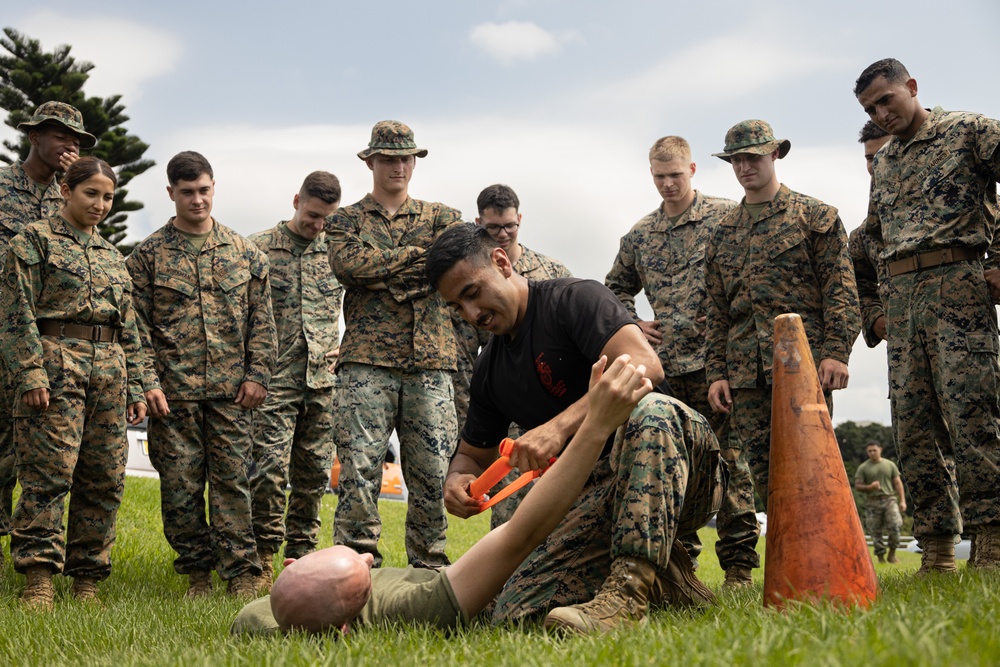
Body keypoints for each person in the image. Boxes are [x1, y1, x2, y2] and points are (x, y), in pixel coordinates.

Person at [231, 354, 697, 634]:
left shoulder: (264, 614)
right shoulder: (418, 605)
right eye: (362, 573)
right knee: (521, 605)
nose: (370, 558)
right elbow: (521, 533)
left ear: (290, 565)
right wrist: (595, 424)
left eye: (350, 557)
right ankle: (656, 577)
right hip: (480, 583)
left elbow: (265, 621)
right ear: (348, 626)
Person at [433, 224, 722, 634]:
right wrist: (459, 479)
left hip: (681, 474)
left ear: (501, 262)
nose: (472, 315)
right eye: (457, 307)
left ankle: (628, 597)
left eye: (472, 293)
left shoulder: (575, 299)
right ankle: (670, 581)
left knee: (651, 408)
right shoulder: (489, 370)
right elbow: (471, 453)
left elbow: (645, 366)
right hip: (602, 500)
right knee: (515, 610)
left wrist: (557, 428)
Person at [855, 58, 1000, 571]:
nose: (881, 113)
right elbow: (866, 245)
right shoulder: (887, 161)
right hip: (902, 300)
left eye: (886, 100)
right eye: (871, 108)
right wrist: (873, 314)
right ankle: (936, 547)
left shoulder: (970, 131)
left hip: (957, 285)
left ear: (912, 87)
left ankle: (992, 542)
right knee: (913, 428)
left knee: (972, 416)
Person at [605, 135, 759, 589]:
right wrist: (633, 322)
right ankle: (680, 566)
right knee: (674, 466)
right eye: (659, 177)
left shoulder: (726, 217)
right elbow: (614, 288)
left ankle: (739, 569)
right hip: (666, 369)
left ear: (692, 171)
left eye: (675, 175)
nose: (668, 184)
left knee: (733, 465)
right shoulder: (639, 235)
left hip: (719, 364)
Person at [126, 151, 276, 597]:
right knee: (180, 488)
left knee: (234, 482)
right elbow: (135, 329)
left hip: (233, 394)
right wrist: (146, 381)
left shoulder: (245, 253)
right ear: (170, 193)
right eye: (187, 192)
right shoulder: (147, 257)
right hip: (174, 396)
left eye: (204, 190)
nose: (197, 200)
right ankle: (196, 574)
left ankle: (241, 575)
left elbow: (263, 324)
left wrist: (258, 375)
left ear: (215, 188)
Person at [0, 157, 147, 609]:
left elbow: (131, 328)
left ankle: (87, 579)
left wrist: (138, 385)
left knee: (103, 477)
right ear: (66, 191)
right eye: (91, 194)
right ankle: (38, 578)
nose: (100, 204)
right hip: (54, 367)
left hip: (108, 374)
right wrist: (30, 372)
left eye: (108, 197)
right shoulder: (32, 242)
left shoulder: (111, 256)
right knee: (48, 473)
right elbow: (13, 313)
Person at [704, 119, 860, 516]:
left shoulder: (815, 217)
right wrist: (716, 373)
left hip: (803, 366)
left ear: (775, 154)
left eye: (753, 157)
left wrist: (836, 352)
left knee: (812, 465)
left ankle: (826, 566)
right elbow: (718, 311)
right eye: (735, 160)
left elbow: (840, 291)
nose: (744, 167)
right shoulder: (722, 233)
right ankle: (791, 569)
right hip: (746, 373)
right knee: (767, 478)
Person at [325, 121, 461, 569]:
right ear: (370, 161)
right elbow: (349, 265)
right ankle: (356, 567)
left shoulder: (444, 218)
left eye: (406, 158)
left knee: (430, 474)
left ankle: (430, 570)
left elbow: (449, 266)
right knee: (359, 473)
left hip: (431, 363)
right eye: (388, 158)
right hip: (366, 363)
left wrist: (382, 271)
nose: (398, 166)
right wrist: (413, 262)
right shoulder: (346, 220)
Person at [0, 101, 92, 566]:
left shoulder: (73, 197)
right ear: (34, 137)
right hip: (3, 338)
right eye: (60, 136)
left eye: (77, 141)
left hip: (52, 348)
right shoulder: (1, 188)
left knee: (39, 456)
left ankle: (36, 552)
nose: (70, 145)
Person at [453, 183, 571, 528]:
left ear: (520, 220)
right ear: (479, 224)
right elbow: (464, 358)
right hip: (504, 408)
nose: (503, 234)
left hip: (555, 407)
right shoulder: (473, 284)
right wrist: (471, 420)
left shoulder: (552, 271)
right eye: (493, 228)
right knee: (510, 509)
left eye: (510, 226)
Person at [247, 171, 343, 591]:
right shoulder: (257, 249)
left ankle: (301, 559)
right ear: (295, 201)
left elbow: (362, 305)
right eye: (312, 215)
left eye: (326, 218)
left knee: (313, 475)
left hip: (323, 379)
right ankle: (263, 557)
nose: (318, 225)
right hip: (274, 379)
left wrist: (352, 340)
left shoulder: (338, 251)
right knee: (268, 470)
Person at [849, 121, 893, 349]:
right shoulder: (864, 236)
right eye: (869, 158)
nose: (876, 164)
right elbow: (856, 284)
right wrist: (874, 318)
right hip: (905, 350)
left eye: (884, 153)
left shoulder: (943, 204)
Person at [855, 441, 907, 564]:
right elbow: (857, 486)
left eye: (874, 450)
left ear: (880, 449)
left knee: (895, 526)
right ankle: (880, 558)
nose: (872, 453)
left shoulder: (889, 465)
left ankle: (892, 554)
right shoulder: (863, 468)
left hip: (890, 500)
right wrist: (870, 487)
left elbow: (898, 483)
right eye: (869, 451)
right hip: (872, 502)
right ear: (867, 452)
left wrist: (903, 501)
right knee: (875, 531)